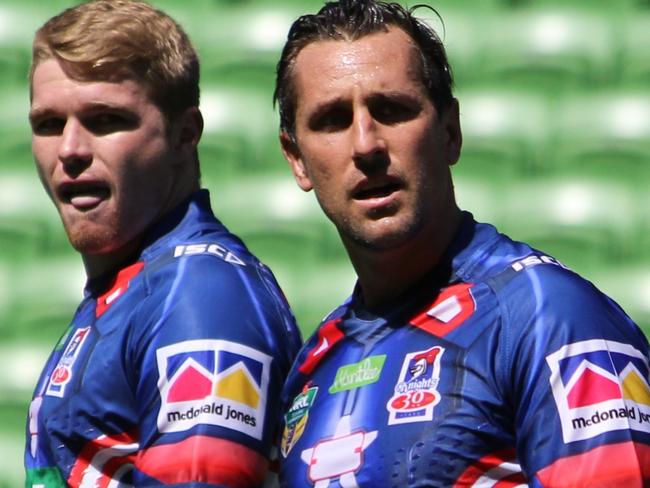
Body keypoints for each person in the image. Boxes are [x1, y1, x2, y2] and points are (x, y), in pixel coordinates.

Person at [273, 0, 650, 486]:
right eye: (332, 121)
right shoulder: (313, 362)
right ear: (296, 159)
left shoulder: (547, 316)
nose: (365, 144)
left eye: (391, 110)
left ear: (450, 131)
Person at [24, 1, 302, 486]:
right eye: (48, 124)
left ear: (184, 135)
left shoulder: (199, 295)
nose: (69, 149)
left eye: (105, 119)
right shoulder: (129, 288)